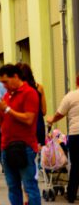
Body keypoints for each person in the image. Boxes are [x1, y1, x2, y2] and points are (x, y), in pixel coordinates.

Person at [0, 64, 40, 205]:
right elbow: (1, 122)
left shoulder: (30, 93)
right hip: (6, 145)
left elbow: (29, 119)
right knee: (12, 186)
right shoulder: (7, 95)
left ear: (15, 77)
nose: (4, 85)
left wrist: (6, 109)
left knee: (29, 186)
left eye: (5, 81)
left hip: (24, 146)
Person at [47, 73, 79, 203]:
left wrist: (51, 120)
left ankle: (71, 195)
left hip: (76, 134)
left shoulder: (71, 96)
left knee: (76, 165)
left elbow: (60, 113)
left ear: (77, 80)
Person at [17, 63, 47, 146]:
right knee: (39, 155)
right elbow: (44, 111)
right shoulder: (39, 87)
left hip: (22, 128)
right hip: (38, 125)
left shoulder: (16, 90)